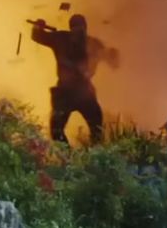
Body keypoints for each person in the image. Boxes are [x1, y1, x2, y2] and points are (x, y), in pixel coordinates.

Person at [30, 13, 120, 145]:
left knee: (94, 128)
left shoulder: (63, 38)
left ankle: (88, 157)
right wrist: (38, 26)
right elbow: (37, 35)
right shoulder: (65, 39)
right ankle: (74, 158)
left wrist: (38, 27)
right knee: (59, 131)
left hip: (78, 92)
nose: (78, 31)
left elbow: (114, 62)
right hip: (72, 92)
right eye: (77, 27)